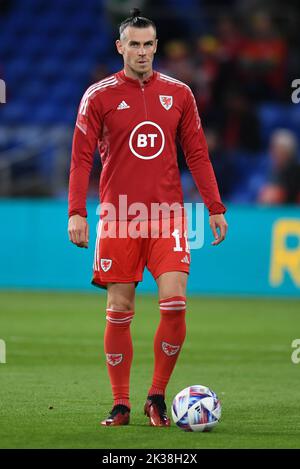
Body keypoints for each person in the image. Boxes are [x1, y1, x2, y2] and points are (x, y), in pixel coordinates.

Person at [68, 8, 228, 427]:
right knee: (119, 310)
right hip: (119, 217)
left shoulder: (179, 94)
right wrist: (76, 213)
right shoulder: (98, 95)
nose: (142, 52)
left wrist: (214, 206)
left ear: (157, 46)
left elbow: (197, 153)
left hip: (169, 217)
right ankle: (120, 404)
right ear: (120, 47)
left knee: (175, 306)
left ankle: (155, 396)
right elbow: (81, 159)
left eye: (148, 44)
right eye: (133, 44)